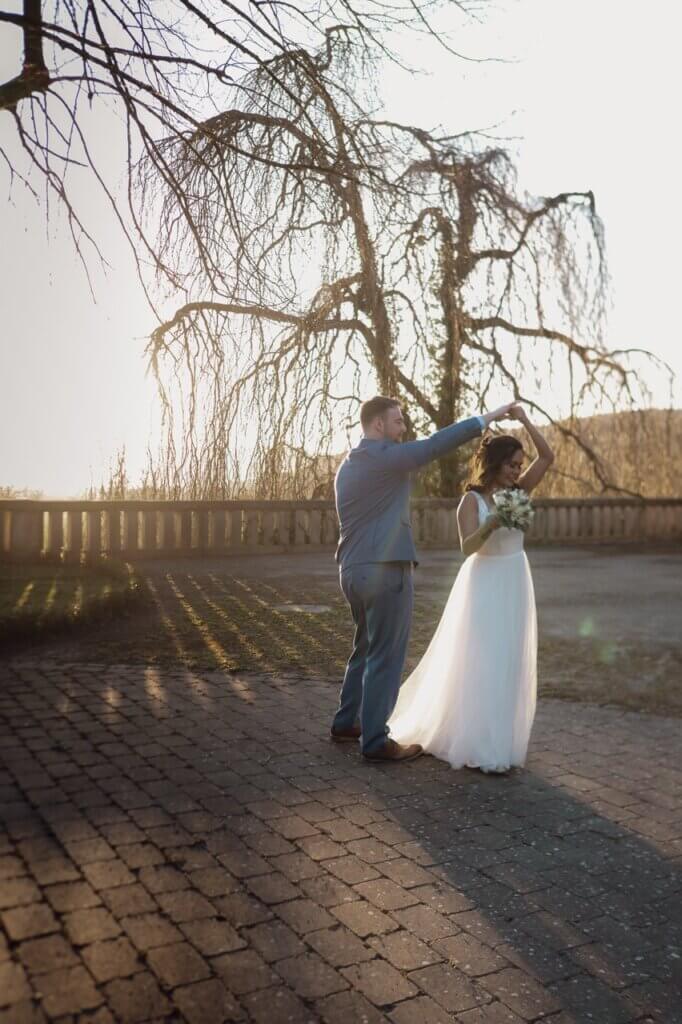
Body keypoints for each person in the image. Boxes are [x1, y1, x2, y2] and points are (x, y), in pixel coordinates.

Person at [331, 396, 517, 762]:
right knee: (386, 654)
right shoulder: (384, 457)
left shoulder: (347, 467)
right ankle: (375, 741)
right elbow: (432, 447)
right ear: (378, 425)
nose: (403, 429)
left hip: (351, 570)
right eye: (398, 422)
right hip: (386, 571)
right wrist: (485, 419)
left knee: (365, 646)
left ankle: (346, 721)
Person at [388, 404, 555, 773]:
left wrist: (526, 421)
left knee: (508, 658)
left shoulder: (520, 492)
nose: (517, 470)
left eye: (519, 464)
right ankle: (476, 741)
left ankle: (500, 739)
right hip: (484, 581)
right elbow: (467, 547)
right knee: (484, 658)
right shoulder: (472, 500)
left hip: (515, 579)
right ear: (495, 464)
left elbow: (548, 456)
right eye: (512, 464)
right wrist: (493, 522)